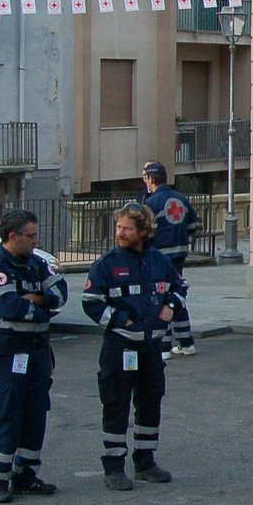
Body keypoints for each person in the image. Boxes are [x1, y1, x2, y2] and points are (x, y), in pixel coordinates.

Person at [82, 203, 185, 490]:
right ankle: (114, 467)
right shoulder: (107, 264)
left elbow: (179, 287)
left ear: (143, 231)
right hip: (121, 348)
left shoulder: (159, 261)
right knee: (116, 404)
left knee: (150, 402)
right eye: (118, 227)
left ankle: (145, 462)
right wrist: (121, 320)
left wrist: (170, 308)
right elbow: (90, 302)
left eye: (127, 228)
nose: (120, 233)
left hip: (151, 348)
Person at [0, 209, 68, 502]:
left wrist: (36, 299)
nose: (35, 240)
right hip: (7, 352)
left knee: (35, 412)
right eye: (30, 236)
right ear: (13, 236)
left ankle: (26, 475)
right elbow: (9, 307)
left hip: (38, 351)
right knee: (6, 413)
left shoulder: (38, 264)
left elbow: (61, 295)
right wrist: (41, 305)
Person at [142, 161, 199, 357]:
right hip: (179, 256)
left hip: (158, 257)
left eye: (145, 177)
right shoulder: (181, 199)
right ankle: (186, 341)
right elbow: (192, 226)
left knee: (160, 297)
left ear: (150, 179)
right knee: (176, 295)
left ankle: (164, 346)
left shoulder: (150, 203)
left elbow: (145, 233)